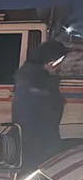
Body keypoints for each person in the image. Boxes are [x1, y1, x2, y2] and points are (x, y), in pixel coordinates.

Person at [13, 40, 68, 169]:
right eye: (58, 64)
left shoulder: (31, 79)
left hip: (37, 142)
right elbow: (44, 115)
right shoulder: (37, 84)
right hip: (38, 143)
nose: (60, 68)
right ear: (51, 63)